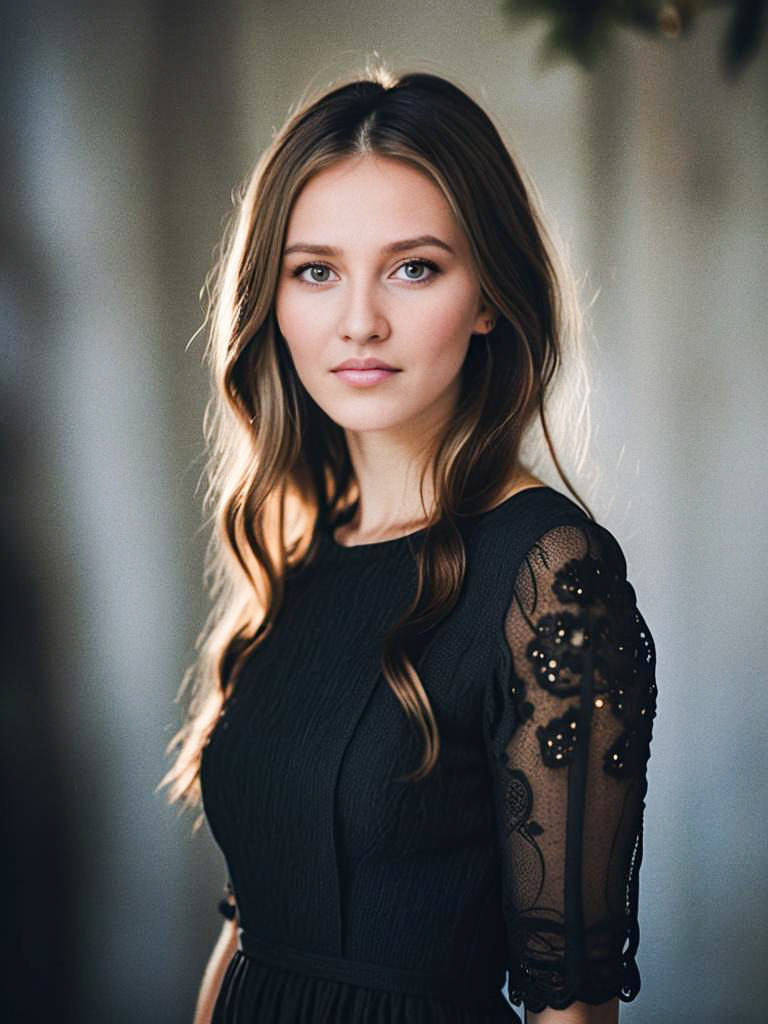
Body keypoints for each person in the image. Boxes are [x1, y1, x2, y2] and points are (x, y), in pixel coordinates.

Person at [159, 65, 658, 1024]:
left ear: (489, 298)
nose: (359, 322)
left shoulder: (553, 574)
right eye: (317, 271)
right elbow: (250, 922)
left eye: (413, 267)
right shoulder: (302, 549)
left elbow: (573, 1006)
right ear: (274, 297)